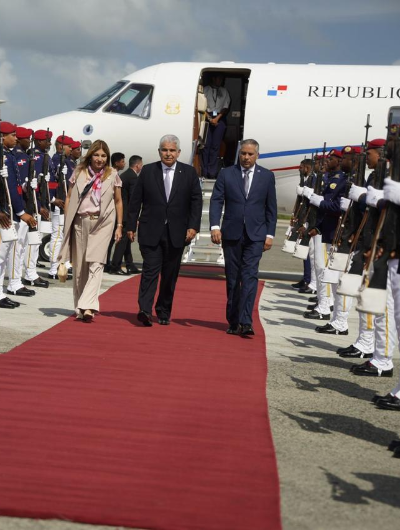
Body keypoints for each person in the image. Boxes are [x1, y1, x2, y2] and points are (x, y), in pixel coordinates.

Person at [127, 134, 202, 326]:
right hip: (150, 230)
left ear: (178, 152)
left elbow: (196, 202)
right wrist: (130, 225)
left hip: (177, 233)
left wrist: (193, 226)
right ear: (159, 151)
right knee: (150, 271)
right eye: (164, 150)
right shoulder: (148, 171)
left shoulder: (189, 172)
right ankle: (144, 309)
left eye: (171, 150)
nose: (168, 154)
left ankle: (163, 310)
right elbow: (136, 201)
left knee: (169, 276)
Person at [209, 139, 277, 336]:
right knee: (233, 278)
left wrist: (270, 234)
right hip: (231, 233)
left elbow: (271, 208)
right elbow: (216, 201)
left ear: (257, 155)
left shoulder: (266, 176)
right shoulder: (226, 173)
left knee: (249, 276)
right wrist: (215, 226)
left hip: (256, 235)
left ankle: (246, 321)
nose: (246, 158)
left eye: (250, 154)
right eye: (243, 154)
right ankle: (233, 319)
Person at [58, 140, 123, 322]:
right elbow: (69, 197)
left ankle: (89, 305)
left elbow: (118, 201)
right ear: (90, 155)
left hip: (102, 223)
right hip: (80, 221)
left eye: (103, 156)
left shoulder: (113, 175)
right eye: (97, 155)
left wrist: (119, 225)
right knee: (80, 267)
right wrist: (67, 223)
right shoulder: (79, 172)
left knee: (97, 263)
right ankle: (81, 306)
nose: (100, 159)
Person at [110, 155, 142, 275]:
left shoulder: (125, 175)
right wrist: (135, 217)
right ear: (137, 165)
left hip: (123, 212)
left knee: (126, 241)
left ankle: (129, 264)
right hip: (126, 213)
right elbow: (134, 199)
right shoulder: (133, 177)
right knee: (123, 240)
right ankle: (115, 265)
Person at [201, 74, 231, 179]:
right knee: (206, 146)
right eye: (218, 78)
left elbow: (225, 107)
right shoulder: (206, 89)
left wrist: (217, 118)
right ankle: (204, 171)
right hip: (207, 118)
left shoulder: (224, 91)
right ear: (213, 78)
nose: (220, 80)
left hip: (219, 118)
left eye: (221, 78)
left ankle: (212, 173)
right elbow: (201, 106)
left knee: (215, 146)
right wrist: (210, 119)